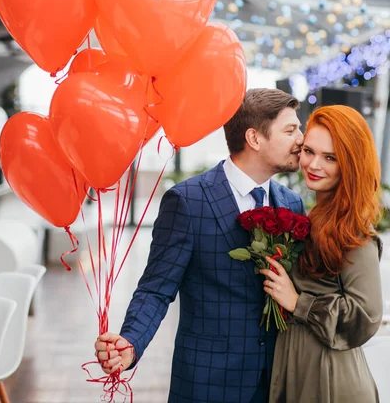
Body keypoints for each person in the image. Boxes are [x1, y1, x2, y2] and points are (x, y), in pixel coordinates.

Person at [95, 88, 305, 403]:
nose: (301, 138)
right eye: (290, 130)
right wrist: (131, 342)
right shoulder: (188, 201)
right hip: (208, 382)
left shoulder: (292, 204)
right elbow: (156, 289)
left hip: (279, 381)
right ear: (255, 139)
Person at [262, 105, 383, 403]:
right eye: (309, 151)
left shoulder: (353, 231)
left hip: (331, 378)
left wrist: (298, 302)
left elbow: (367, 316)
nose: (313, 164)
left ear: (350, 164)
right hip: (301, 366)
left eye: (330, 158)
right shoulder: (317, 217)